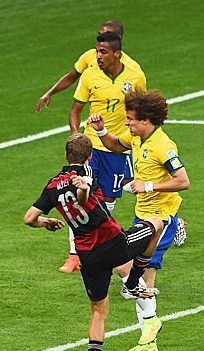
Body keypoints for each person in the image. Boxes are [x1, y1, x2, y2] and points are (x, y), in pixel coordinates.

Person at [24, 133, 162, 351]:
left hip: (88, 257)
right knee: (157, 224)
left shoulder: (52, 186)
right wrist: (84, 187)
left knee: (99, 313)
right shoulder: (87, 176)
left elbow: (29, 218)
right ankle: (133, 282)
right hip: (114, 245)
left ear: (66, 156)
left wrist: (47, 223)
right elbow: (84, 191)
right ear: (89, 157)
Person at [89, 89, 190, 351]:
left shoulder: (162, 145)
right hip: (143, 216)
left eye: (131, 119)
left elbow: (183, 180)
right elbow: (115, 145)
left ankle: (150, 325)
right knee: (137, 275)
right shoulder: (135, 138)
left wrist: (148, 185)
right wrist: (100, 132)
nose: (127, 123)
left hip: (161, 218)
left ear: (147, 120)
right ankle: (149, 341)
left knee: (128, 268)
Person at [56, 31, 147, 274]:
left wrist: (136, 138)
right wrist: (77, 136)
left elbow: (141, 111)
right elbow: (75, 109)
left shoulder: (135, 75)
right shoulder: (90, 75)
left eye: (103, 52)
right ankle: (75, 255)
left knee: (106, 202)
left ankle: (166, 220)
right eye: (96, 51)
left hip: (115, 147)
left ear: (117, 53)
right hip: (91, 147)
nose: (97, 56)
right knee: (77, 196)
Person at [35, 20, 141, 113]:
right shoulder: (90, 56)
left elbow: (142, 104)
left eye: (106, 34)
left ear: (118, 38)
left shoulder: (132, 68)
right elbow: (71, 77)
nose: (101, 38)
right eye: (100, 34)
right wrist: (50, 93)